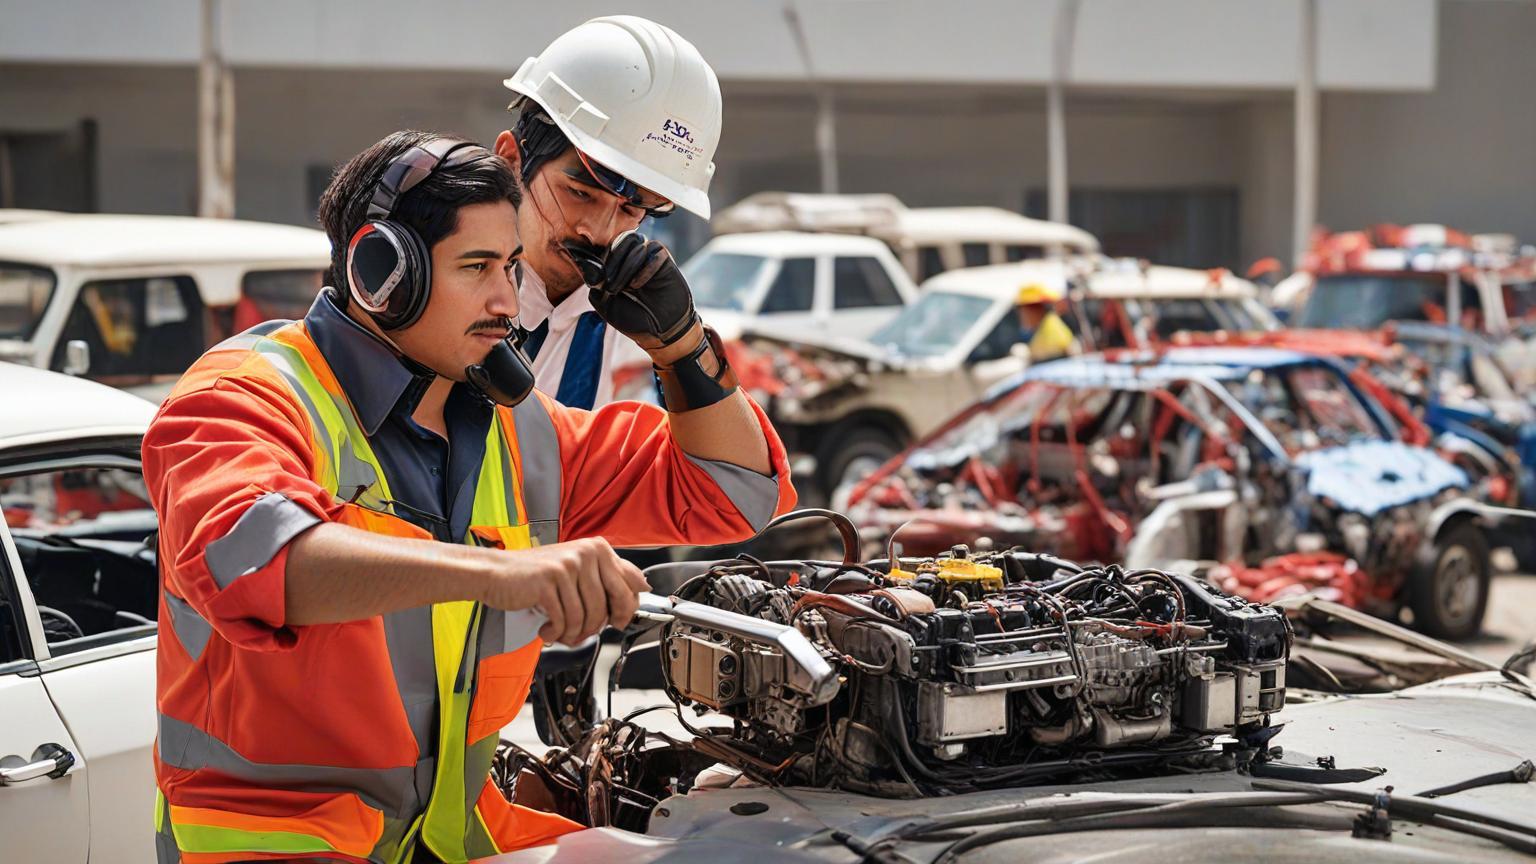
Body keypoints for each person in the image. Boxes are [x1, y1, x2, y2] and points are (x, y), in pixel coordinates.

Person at [145, 130, 792, 864]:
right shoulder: (238, 396)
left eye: (512, 265)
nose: (508, 298)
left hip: (452, 843)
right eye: (478, 266)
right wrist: (502, 572)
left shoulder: (519, 431)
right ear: (381, 270)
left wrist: (680, 347)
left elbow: (738, 494)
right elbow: (263, 564)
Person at [494, 15, 721, 410]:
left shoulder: (631, 328)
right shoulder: (435, 291)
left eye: (633, 208)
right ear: (512, 161)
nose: (597, 233)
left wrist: (683, 348)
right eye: (580, 192)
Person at [1015, 281, 1079, 361]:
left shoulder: (1052, 329)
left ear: (1038, 309)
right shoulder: (1034, 330)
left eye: (1025, 310)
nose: (1022, 314)